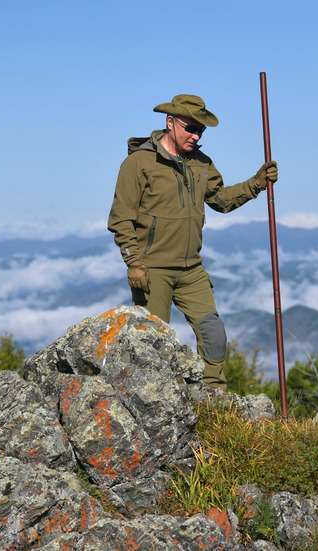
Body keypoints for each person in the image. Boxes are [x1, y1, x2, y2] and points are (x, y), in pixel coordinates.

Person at [107, 94, 278, 390]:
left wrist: (256, 183)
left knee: (214, 333)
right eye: (190, 128)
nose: (196, 135)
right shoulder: (138, 163)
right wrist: (133, 262)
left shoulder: (201, 163)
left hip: (191, 269)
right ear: (170, 123)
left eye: (201, 130)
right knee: (153, 344)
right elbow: (120, 218)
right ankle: (153, 402)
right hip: (152, 269)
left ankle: (214, 398)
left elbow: (221, 200)